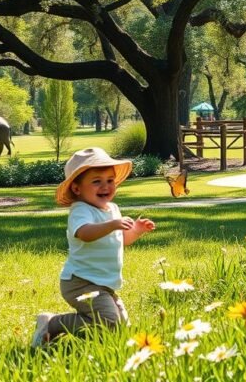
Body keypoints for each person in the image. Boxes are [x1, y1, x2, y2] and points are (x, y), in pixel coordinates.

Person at [31, 148, 156, 347]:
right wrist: (113, 224)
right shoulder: (81, 210)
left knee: (119, 328)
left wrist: (137, 231)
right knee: (108, 323)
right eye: (96, 181)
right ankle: (52, 324)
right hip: (81, 282)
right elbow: (86, 233)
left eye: (110, 180)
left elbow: (119, 240)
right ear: (77, 189)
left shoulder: (113, 209)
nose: (105, 186)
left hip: (104, 283)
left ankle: (75, 327)